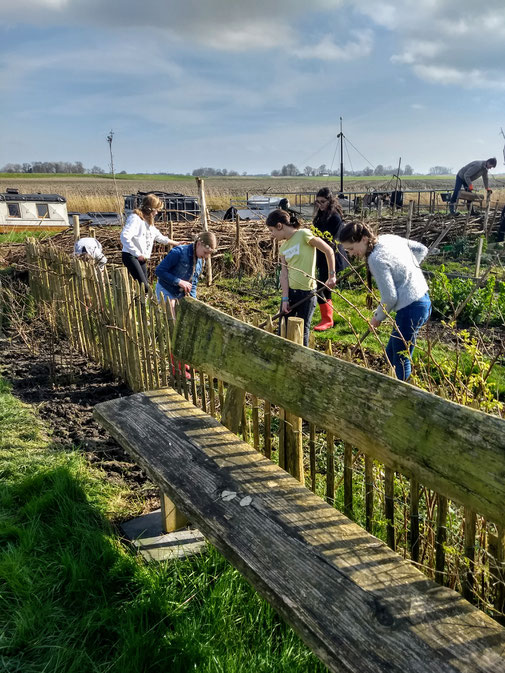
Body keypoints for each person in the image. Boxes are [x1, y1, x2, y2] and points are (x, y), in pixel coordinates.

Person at [339, 222, 431, 381]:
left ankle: (401, 395)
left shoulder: (376, 259)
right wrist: (408, 271)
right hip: (423, 300)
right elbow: (422, 249)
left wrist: (377, 318)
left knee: (401, 358)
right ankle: (390, 385)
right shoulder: (387, 239)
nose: (352, 254)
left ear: (364, 239)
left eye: (352, 248)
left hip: (411, 309)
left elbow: (390, 297)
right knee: (391, 353)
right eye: (347, 250)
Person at [266, 209, 336, 347]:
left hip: (308, 293)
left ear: (280, 226)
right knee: (283, 330)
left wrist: (332, 275)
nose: (272, 234)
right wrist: (285, 299)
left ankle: (301, 360)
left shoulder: (304, 235)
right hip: (291, 293)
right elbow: (284, 274)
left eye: (272, 230)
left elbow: (328, 250)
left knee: (302, 330)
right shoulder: (283, 248)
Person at [120, 193, 179, 290]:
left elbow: (158, 236)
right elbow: (124, 236)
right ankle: (145, 303)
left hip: (141, 257)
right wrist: (137, 253)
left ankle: (141, 304)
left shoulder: (148, 221)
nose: (157, 213)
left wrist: (175, 243)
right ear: (150, 209)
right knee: (145, 287)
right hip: (131, 255)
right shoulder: (135, 219)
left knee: (143, 285)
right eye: (156, 210)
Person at [155, 231, 217, 318]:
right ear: (198, 244)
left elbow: (193, 284)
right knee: (173, 318)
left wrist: (193, 300)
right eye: (205, 252)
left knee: (188, 318)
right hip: (166, 289)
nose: (206, 256)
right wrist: (179, 281)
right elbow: (159, 271)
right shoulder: (178, 252)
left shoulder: (199, 262)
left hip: (180, 294)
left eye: (208, 254)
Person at [312, 187, 349, 331]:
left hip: (332, 255)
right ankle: (326, 318)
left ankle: (327, 319)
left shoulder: (334, 217)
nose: (320, 205)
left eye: (323, 202)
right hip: (321, 255)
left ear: (330, 201)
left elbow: (331, 241)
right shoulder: (320, 216)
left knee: (322, 286)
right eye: (317, 202)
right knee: (322, 285)